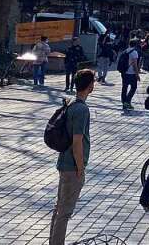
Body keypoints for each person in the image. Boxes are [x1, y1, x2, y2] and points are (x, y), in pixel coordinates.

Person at [49, 68, 95, 245]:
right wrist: (80, 168)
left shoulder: (71, 104)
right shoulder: (82, 110)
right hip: (72, 166)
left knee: (59, 209)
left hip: (64, 162)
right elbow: (77, 142)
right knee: (65, 212)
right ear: (90, 85)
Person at [122, 38, 141, 109]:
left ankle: (124, 102)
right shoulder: (134, 52)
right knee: (133, 87)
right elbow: (135, 65)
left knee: (124, 87)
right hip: (131, 73)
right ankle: (127, 101)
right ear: (136, 45)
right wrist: (137, 74)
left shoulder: (126, 51)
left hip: (124, 72)